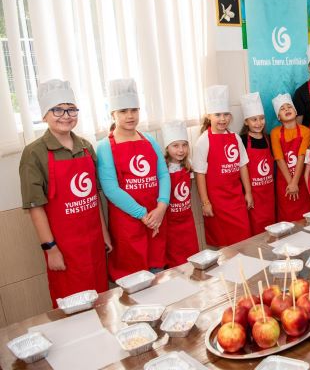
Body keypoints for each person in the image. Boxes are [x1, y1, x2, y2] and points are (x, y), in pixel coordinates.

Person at [19, 79, 110, 306]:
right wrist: (50, 249)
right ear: (44, 115)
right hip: (64, 248)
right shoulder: (34, 153)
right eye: (57, 109)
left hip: (94, 244)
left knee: (101, 301)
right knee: (73, 307)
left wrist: (104, 234)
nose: (66, 115)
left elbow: (93, 198)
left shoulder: (86, 147)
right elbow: (35, 207)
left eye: (71, 109)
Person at [97, 79, 170, 280]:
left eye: (134, 110)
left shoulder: (150, 140)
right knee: (133, 279)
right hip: (128, 224)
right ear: (113, 114)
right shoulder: (105, 146)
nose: (130, 116)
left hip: (156, 219)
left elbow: (163, 174)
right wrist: (143, 214)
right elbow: (111, 189)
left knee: (158, 273)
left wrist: (162, 207)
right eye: (123, 111)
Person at [193, 85, 252, 246]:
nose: (222, 119)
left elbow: (243, 166)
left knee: (244, 239)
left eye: (226, 114)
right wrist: (205, 202)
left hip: (236, 198)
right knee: (224, 244)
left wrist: (248, 192)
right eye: (217, 115)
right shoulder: (203, 141)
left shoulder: (235, 138)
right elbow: (200, 174)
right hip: (217, 203)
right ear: (209, 116)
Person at [161, 120, 199, 267]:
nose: (181, 150)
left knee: (192, 257)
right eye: (175, 146)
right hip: (170, 224)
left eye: (184, 145)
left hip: (187, 221)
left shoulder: (188, 165)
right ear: (167, 148)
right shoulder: (163, 168)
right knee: (175, 262)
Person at [271, 93, 310, 221]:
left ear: (295, 111)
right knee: (286, 217)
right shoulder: (275, 133)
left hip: (302, 181)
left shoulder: (306, 131)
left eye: (289, 107)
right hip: (284, 183)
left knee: (304, 216)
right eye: (282, 109)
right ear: (278, 117)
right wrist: (291, 184)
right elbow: (279, 159)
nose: (287, 109)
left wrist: (295, 183)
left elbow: (301, 156)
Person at [240, 92, 275, 235]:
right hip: (253, 195)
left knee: (271, 229)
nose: (259, 123)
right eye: (254, 119)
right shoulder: (242, 140)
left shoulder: (269, 138)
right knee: (256, 231)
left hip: (269, 194)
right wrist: (247, 193)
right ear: (246, 122)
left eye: (261, 118)